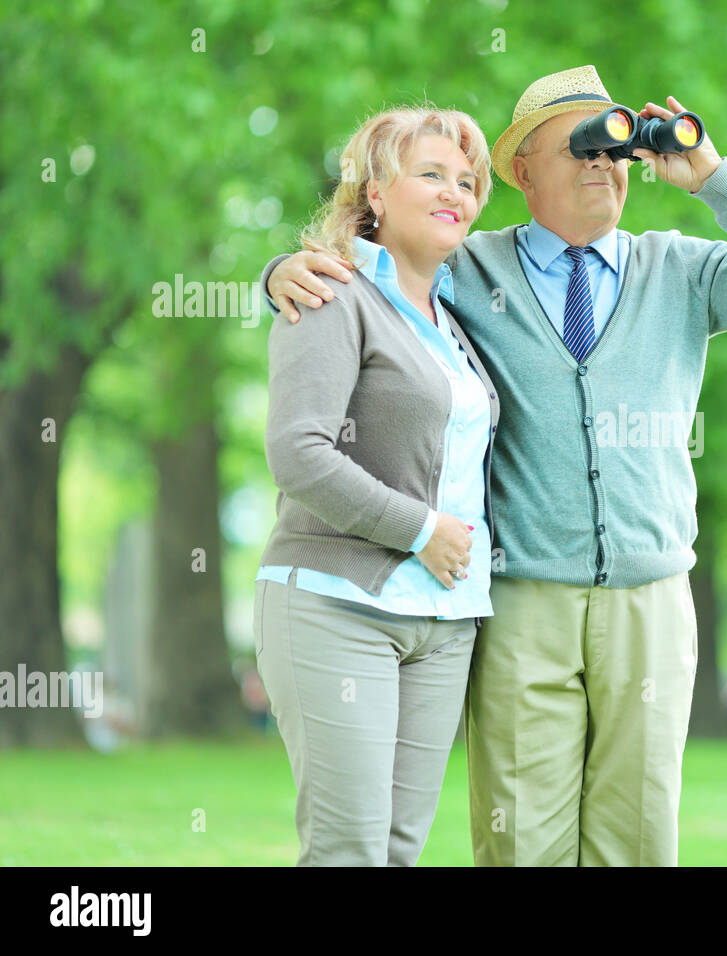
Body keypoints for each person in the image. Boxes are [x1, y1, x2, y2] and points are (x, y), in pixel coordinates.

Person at [263, 65, 727, 866]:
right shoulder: (467, 264)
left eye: (616, 147)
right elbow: (365, 279)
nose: (605, 161)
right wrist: (277, 275)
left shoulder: (679, 270)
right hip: (520, 598)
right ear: (525, 173)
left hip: (652, 600)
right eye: (581, 145)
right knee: (519, 841)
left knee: (637, 842)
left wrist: (715, 179)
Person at [253, 104, 499, 865]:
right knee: (347, 850)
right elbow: (298, 452)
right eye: (429, 174)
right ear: (375, 194)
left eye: (466, 180)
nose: (453, 190)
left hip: (445, 622)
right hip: (336, 604)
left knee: (396, 851)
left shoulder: (458, 319)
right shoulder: (332, 292)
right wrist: (422, 530)